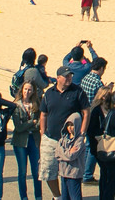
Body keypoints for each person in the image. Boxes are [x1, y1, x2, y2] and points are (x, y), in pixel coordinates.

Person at [40, 63, 89, 198]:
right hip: (51, 138)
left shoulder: (77, 91)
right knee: (48, 171)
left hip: (70, 140)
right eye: (66, 76)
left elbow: (86, 112)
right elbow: (43, 114)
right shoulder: (50, 93)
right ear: (58, 78)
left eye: (70, 76)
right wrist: (43, 132)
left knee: (70, 173)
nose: (69, 78)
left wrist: (82, 133)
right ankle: (57, 196)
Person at [10, 81, 43, 200]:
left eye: (29, 90)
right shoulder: (17, 105)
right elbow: (18, 127)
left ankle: (38, 196)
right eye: (25, 89)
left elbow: (40, 123)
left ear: (33, 91)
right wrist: (31, 123)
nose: (27, 92)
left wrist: (31, 124)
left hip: (33, 139)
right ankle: (23, 196)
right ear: (21, 90)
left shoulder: (36, 104)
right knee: (22, 171)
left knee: (36, 171)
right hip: (20, 141)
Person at [58, 114, 87, 200]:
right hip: (64, 172)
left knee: (75, 197)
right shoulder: (63, 138)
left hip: (74, 174)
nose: (70, 128)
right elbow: (57, 152)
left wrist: (63, 153)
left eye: (72, 125)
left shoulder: (79, 140)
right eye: (68, 125)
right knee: (65, 197)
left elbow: (72, 156)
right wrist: (67, 152)